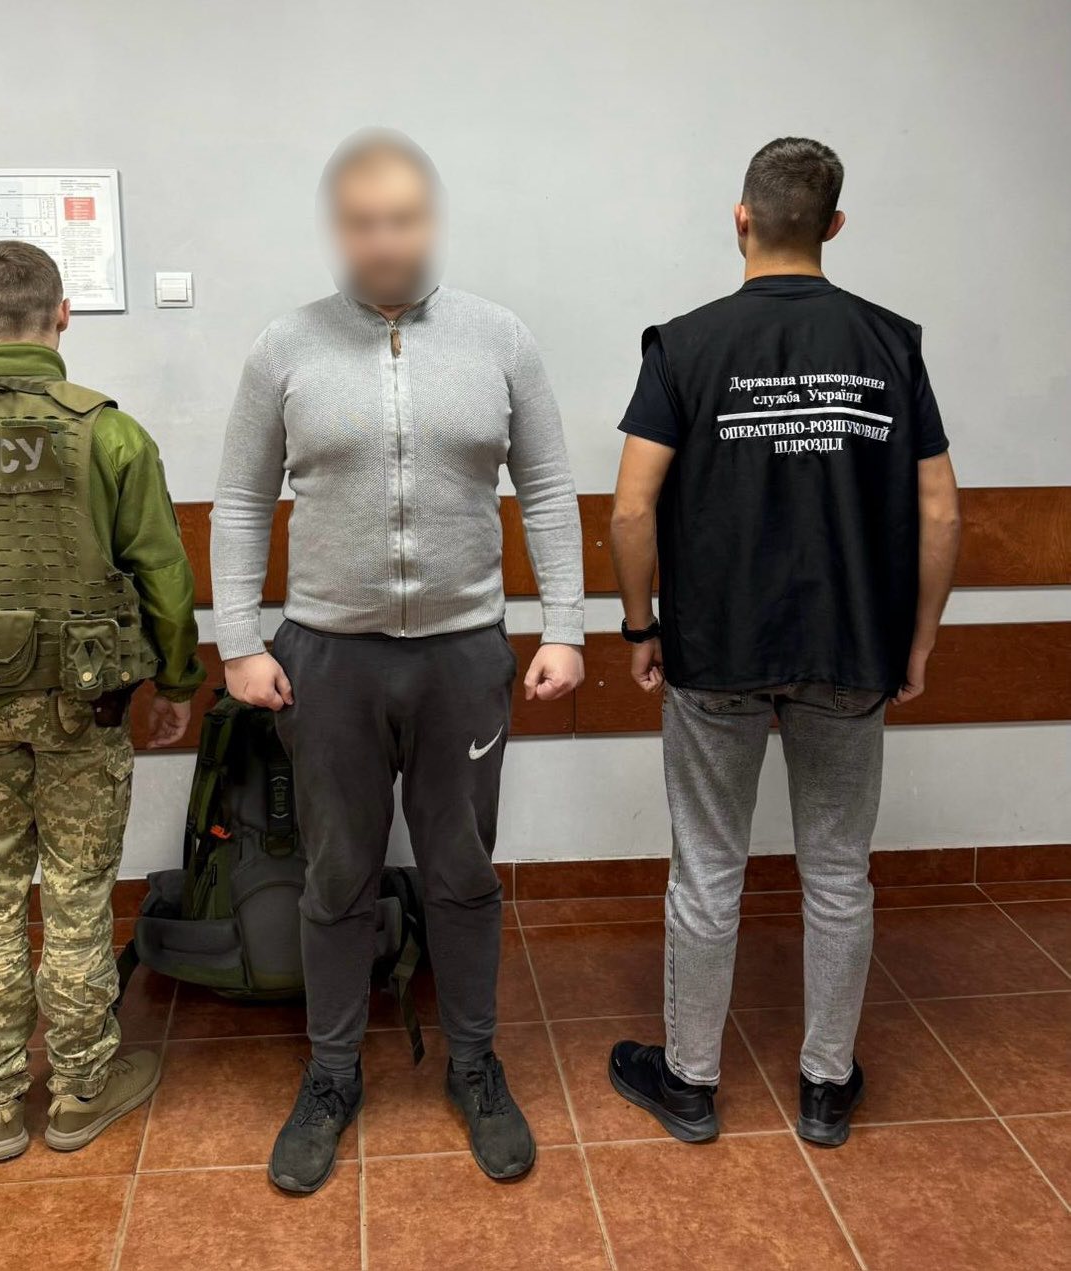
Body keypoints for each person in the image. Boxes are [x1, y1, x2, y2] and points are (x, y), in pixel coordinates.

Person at [213, 129, 585, 1192]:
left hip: (463, 657)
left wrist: (565, 624)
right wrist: (238, 639)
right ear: (340, 228)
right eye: (363, 221)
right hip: (327, 659)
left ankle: (472, 1064)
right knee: (336, 874)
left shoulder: (498, 339)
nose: (384, 239)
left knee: (463, 871)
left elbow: (547, 489)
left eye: (403, 218)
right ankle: (333, 1074)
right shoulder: (285, 347)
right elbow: (240, 498)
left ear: (431, 220)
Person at [607, 138, 961, 1148]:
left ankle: (689, 1080)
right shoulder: (891, 343)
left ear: (741, 218)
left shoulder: (683, 345)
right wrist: (918, 642)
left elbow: (631, 509)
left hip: (714, 648)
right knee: (839, 872)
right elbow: (941, 511)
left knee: (707, 870)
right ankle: (825, 1084)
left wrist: (640, 626)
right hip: (852, 649)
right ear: (834, 226)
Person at [0, 241, 204, 1162]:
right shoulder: (110, 434)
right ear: (63, 314)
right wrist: (177, 683)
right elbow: (164, 576)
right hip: (81, 704)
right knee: (77, 891)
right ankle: (81, 1088)